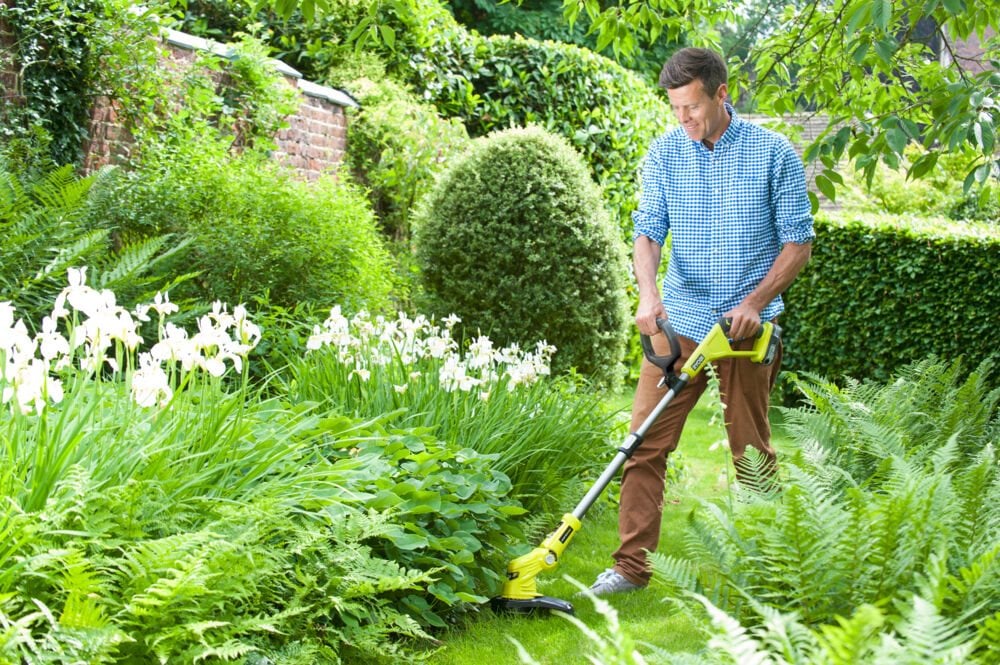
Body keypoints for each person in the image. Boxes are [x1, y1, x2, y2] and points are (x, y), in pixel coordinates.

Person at [589, 47, 815, 596]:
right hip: (683, 319)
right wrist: (648, 293)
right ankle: (630, 568)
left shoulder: (773, 153)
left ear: (720, 93)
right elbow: (647, 232)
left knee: (751, 451)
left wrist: (757, 302)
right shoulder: (665, 153)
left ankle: (768, 568)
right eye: (674, 109)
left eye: (690, 107)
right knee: (644, 443)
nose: (682, 119)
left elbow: (798, 242)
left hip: (744, 328)